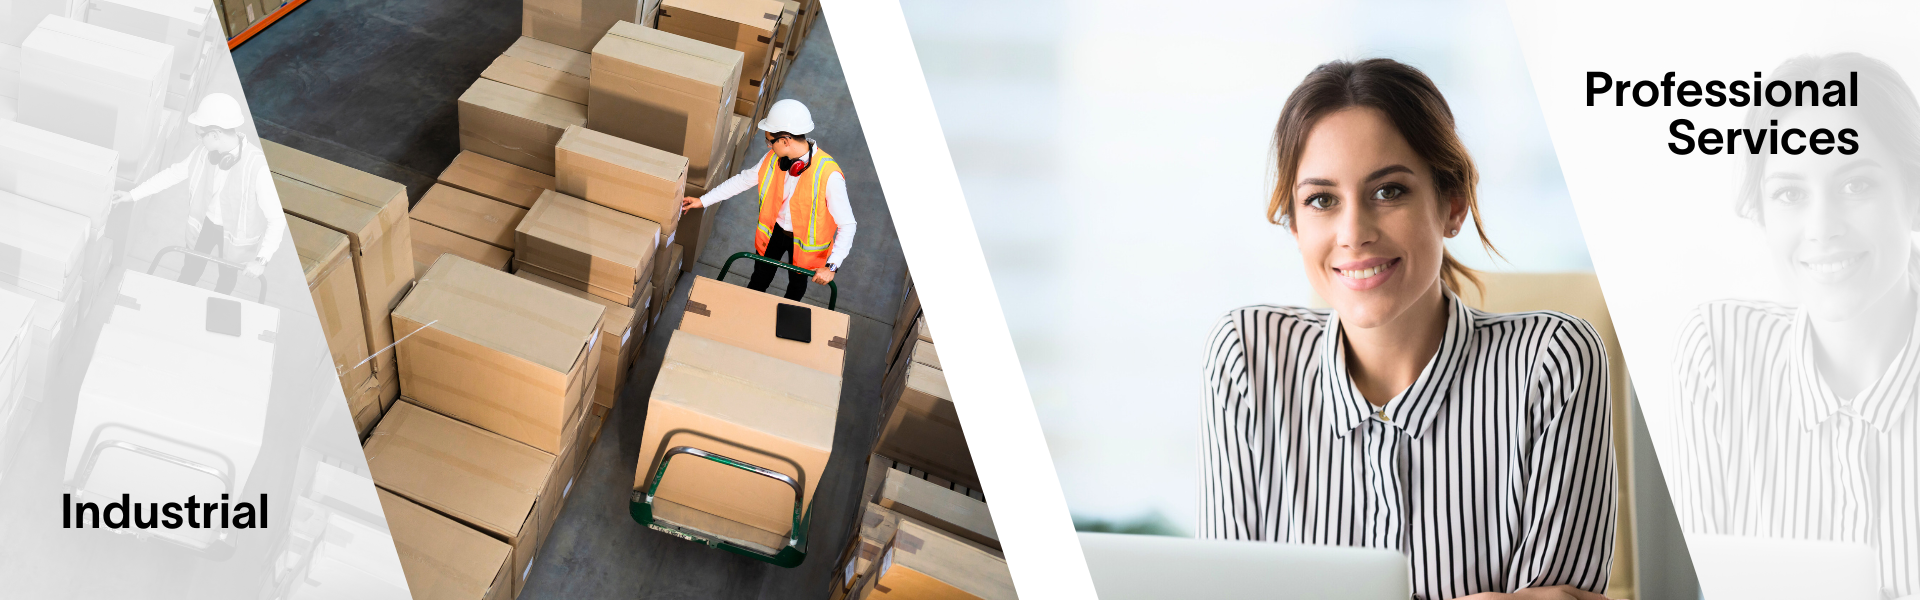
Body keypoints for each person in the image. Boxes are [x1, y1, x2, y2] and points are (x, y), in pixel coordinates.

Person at [1198, 59, 1616, 600]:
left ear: (1453, 204)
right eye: (1322, 200)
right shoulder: (1246, 359)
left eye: (1389, 191)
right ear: (1295, 225)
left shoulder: (1552, 362)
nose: (1353, 233)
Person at [1671, 53, 1920, 598]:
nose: (1822, 227)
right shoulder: (1718, 354)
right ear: (1761, 212)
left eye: (1857, 185)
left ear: (1913, 194)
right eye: (1789, 193)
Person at [680, 99, 856, 301]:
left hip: (804, 245)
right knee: (759, 279)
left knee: (796, 288)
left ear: (786, 140)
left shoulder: (828, 174)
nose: (769, 145)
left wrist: (832, 266)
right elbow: (743, 181)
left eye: (770, 141)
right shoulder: (774, 160)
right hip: (775, 232)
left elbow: (848, 225)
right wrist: (703, 201)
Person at [113, 93, 282, 295]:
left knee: (226, 281)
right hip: (206, 225)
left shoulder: (257, 167)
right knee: (190, 271)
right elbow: (173, 174)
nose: (198, 139)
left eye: (200, 134)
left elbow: (277, 219)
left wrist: (261, 259)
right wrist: (132, 195)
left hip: (234, 239)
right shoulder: (204, 154)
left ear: (215, 134)